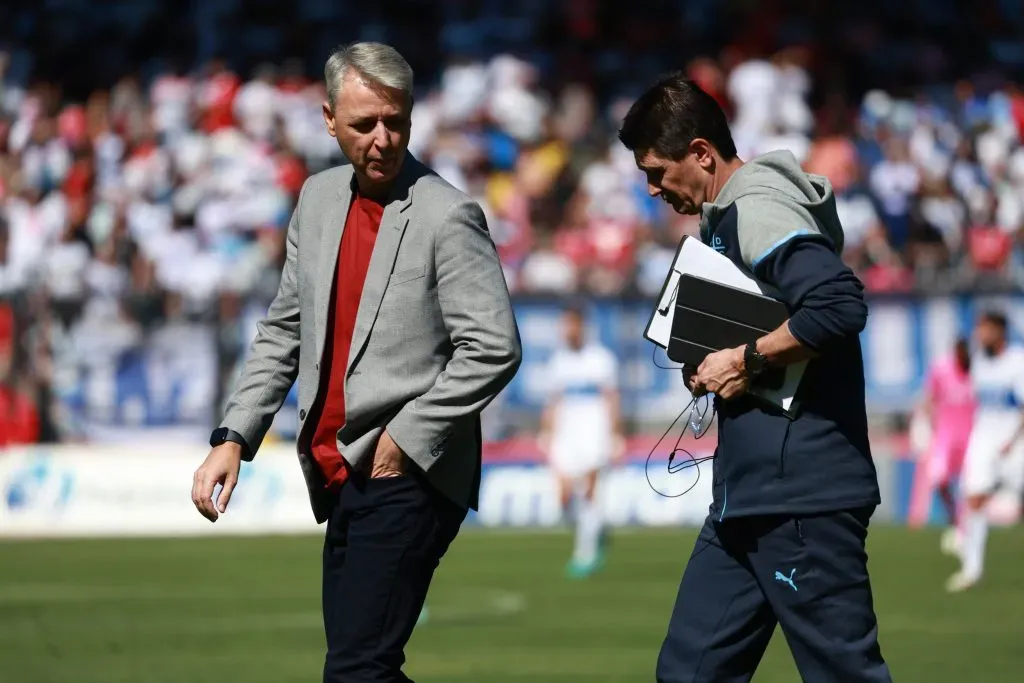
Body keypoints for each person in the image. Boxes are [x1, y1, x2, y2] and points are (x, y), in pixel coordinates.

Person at [190, 42, 522, 683]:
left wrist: (407, 435)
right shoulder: (315, 201)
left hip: (410, 475)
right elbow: (284, 331)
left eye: (395, 121)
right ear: (328, 119)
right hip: (337, 470)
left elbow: (494, 347)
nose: (382, 138)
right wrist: (233, 437)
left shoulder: (447, 214)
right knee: (358, 667)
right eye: (365, 123)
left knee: (357, 667)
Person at [618, 74, 891, 682]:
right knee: (688, 674)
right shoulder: (724, 220)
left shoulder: (758, 207)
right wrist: (714, 360)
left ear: (701, 153)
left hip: (801, 499)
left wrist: (745, 360)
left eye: (658, 171)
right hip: (748, 499)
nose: (652, 188)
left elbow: (839, 305)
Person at [538, 304, 624, 578]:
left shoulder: (601, 359)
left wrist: (614, 434)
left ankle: (585, 554)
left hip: (593, 433)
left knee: (589, 491)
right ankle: (595, 531)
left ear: (582, 327)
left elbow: (612, 399)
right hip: (566, 434)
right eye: (564, 326)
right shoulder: (559, 361)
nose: (567, 331)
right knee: (564, 498)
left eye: (571, 325)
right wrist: (546, 432)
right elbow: (553, 401)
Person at [946, 311, 1024, 593]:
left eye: (985, 329)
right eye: (978, 328)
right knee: (975, 498)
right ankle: (972, 569)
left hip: (1014, 442)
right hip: (984, 439)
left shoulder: (1017, 360)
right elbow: (963, 366)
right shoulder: (979, 359)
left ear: (1000, 331)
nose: (980, 334)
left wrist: (1013, 439)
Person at [907, 338, 974, 553]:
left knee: (969, 485)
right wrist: (928, 425)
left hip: (971, 437)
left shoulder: (976, 371)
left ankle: (965, 528)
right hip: (945, 436)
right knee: (940, 480)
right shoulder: (941, 369)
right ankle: (954, 518)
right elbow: (928, 398)